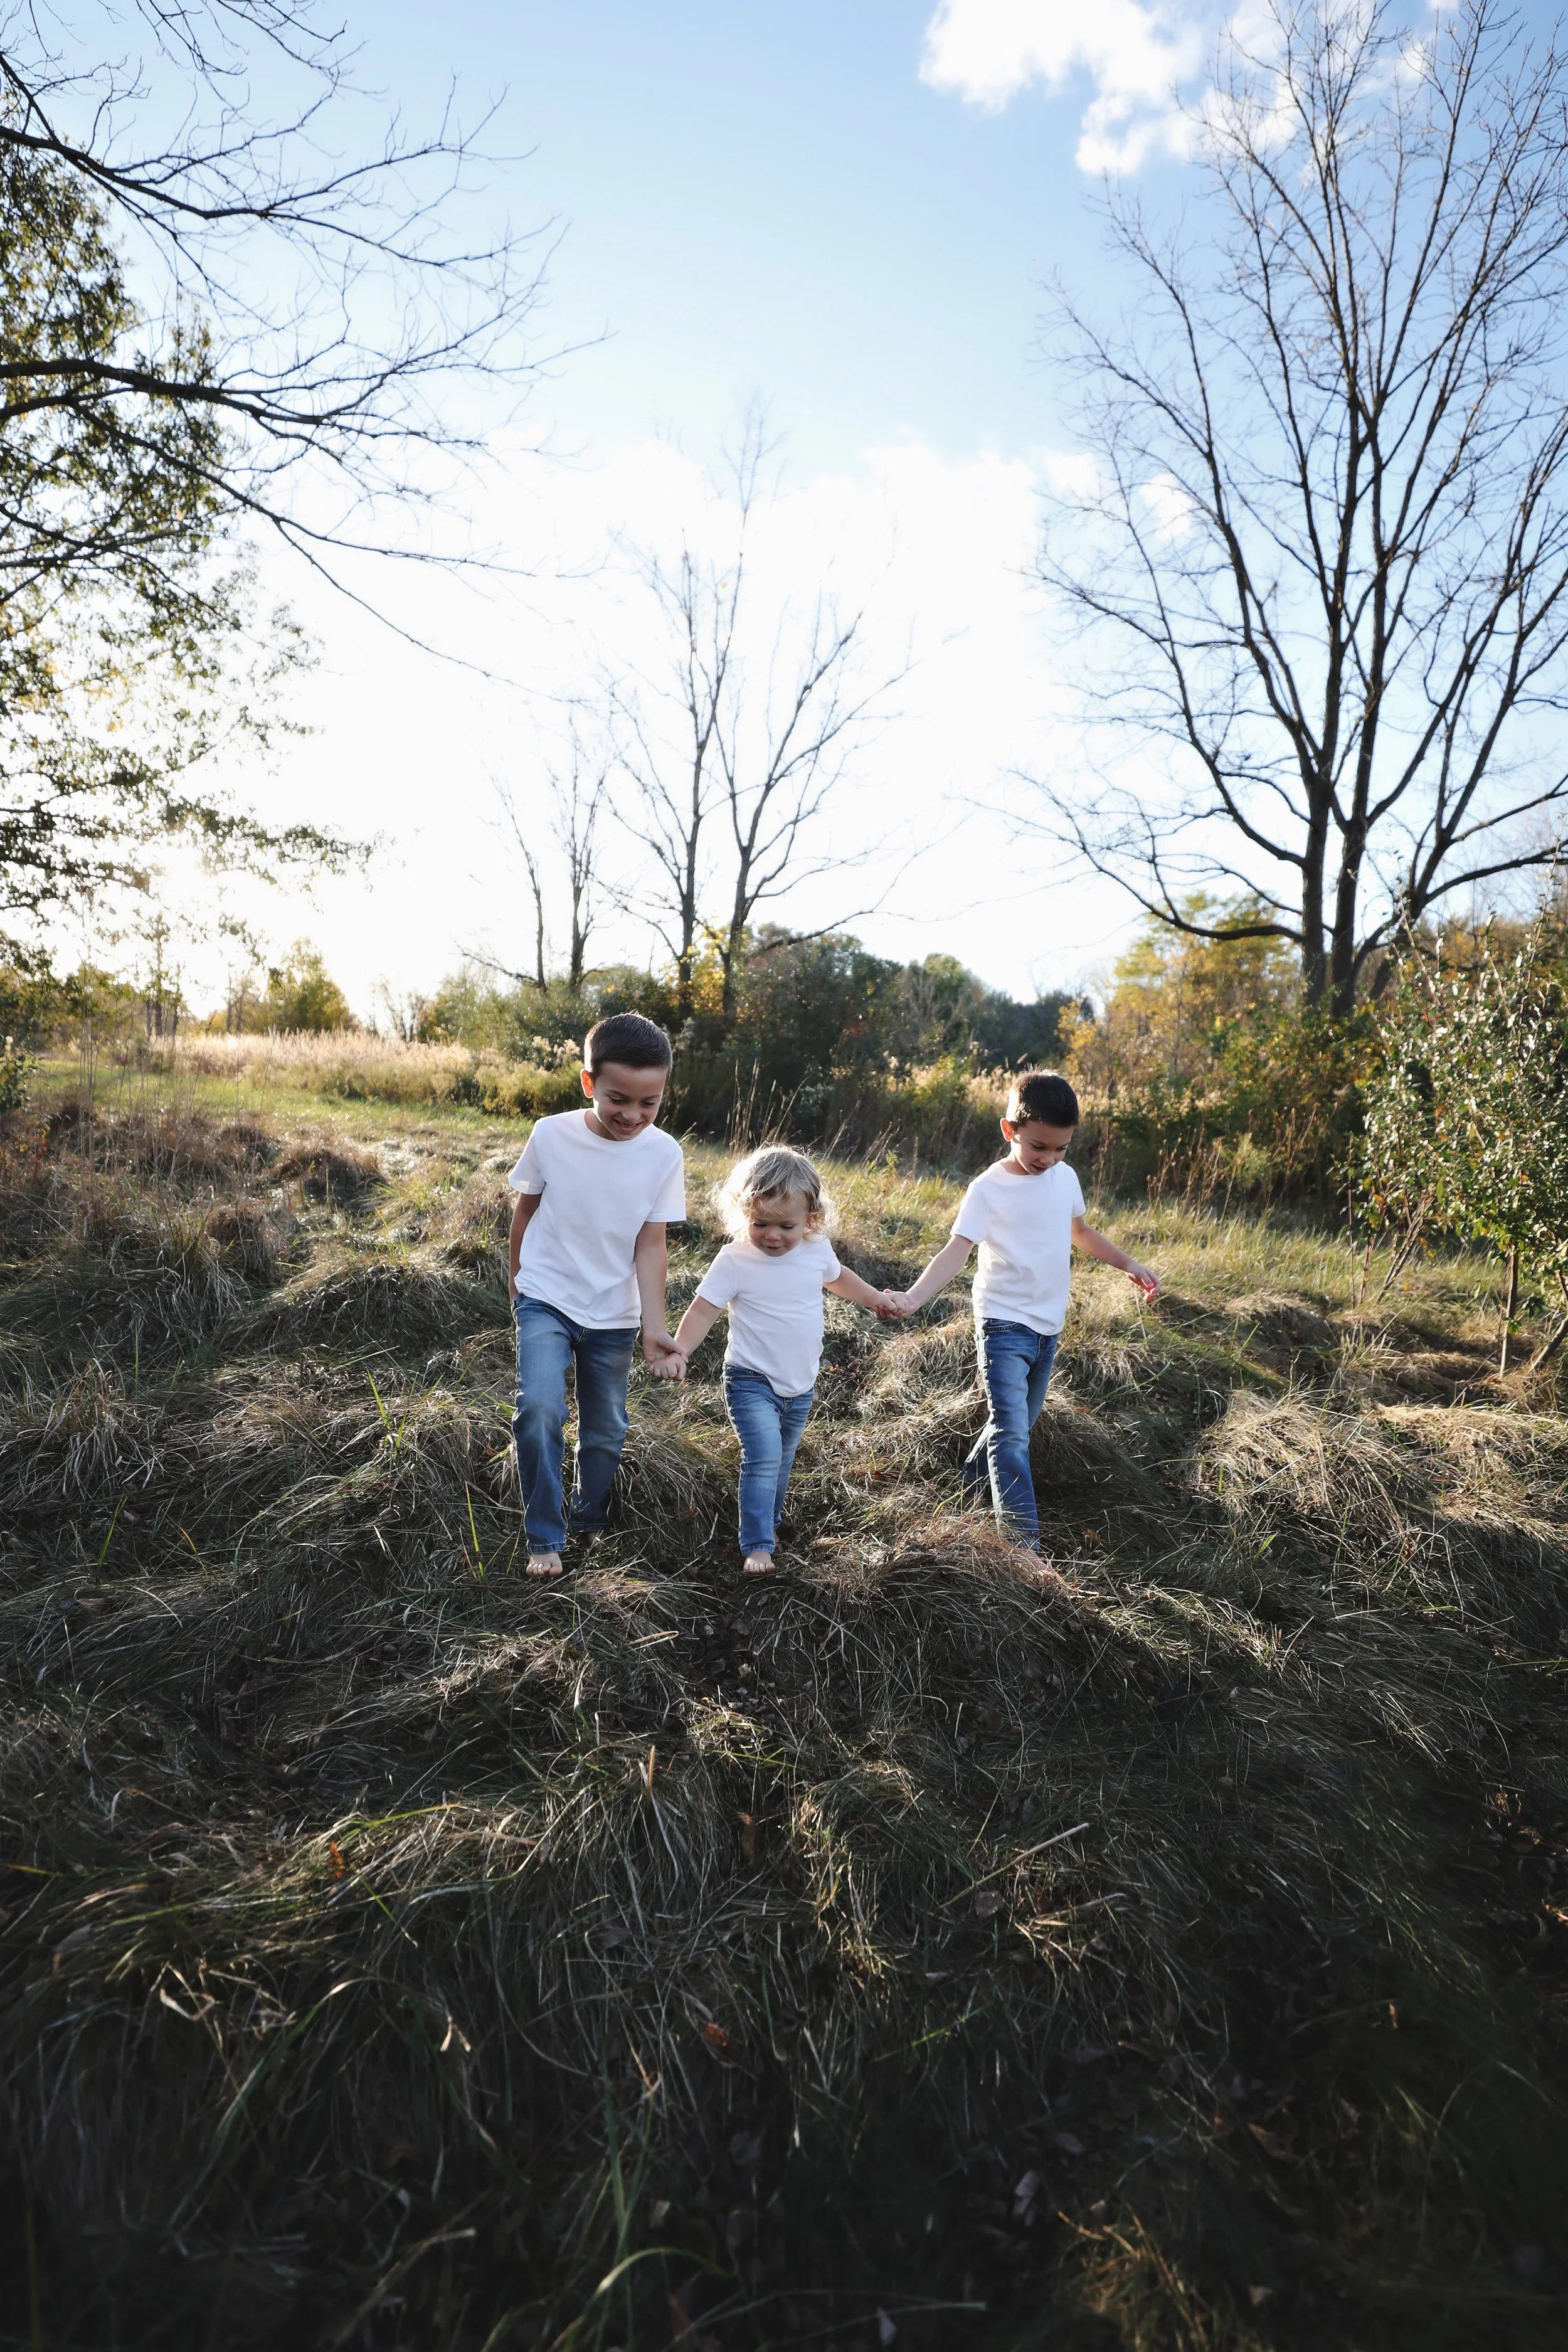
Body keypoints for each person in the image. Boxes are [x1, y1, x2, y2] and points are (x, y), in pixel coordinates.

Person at [887, 1071, 1158, 1553]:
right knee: (1012, 1437)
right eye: (1039, 1147)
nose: (1049, 1159)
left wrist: (1128, 1264)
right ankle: (1022, 1546)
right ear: (1009, 1130)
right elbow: (957, 1251)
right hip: (1002, 1324)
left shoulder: (1064, 1178)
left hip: (1048, 1325)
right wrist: (913, 1297)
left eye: (1061, 1149)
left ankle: (970, 1486)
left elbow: (1081, 1232)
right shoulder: (988, 1189)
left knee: (1014, 1428)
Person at [506, 1012, 686, 1577]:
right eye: (618, 1100)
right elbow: (526, 1210)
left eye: (649, 1103)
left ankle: (589, 1520)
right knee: (539, 1407)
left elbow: (651, 1245)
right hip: (547, 1295)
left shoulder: (664, 1155)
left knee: (605, 1427)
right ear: (589, 1084)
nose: (633, 1115)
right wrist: (517, 1282)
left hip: (614, 1312)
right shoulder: (550, 1134)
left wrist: (655, 1326)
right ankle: (543, 1535)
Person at [669, 1145, 898, 1575]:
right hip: (750, 1378)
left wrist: (875, 1301)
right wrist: (681, 1348)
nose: (772, 1235)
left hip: (801, 1382)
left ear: (811, 1217)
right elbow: (703, 1309)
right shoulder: (735, 1259)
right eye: (760, 1223)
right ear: (743, 1214)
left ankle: (770, 1525)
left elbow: (840, 1279)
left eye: (786, 1226)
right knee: (763, 1456)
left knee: (784, 1457)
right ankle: (756, 1545)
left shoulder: (815, 1249)